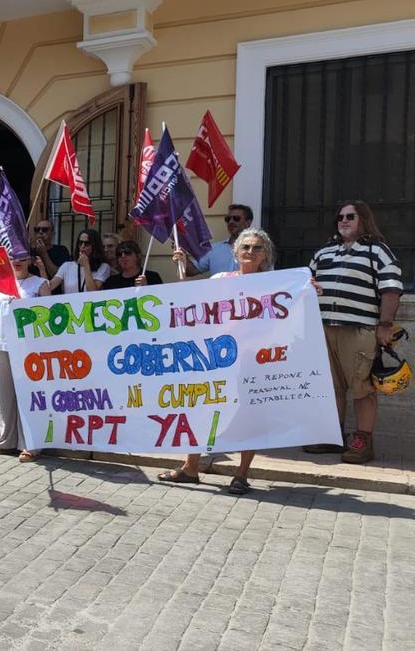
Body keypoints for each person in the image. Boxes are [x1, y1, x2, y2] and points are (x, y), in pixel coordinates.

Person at [159, 228, 278, 492]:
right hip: (216, 359)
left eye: (257, 248)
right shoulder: (220, 279)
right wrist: (182, 273)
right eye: (245, 247)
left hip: (252, 360)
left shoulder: (274, 284)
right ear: (236, 253)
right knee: (203, 409)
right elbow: (193, 305)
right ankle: (190, 467)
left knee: (248, 415)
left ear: (265, 255)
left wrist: (308, 290)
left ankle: (241, 474)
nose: (250, 251)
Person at [306, 202, 404, 464]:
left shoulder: (378, 252)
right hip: (324, 329)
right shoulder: (323, 252)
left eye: (351, 216)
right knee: (331, 386)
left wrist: (385, 326)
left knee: (362, 388)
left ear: (364, 220)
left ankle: (363, 442)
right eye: (340, 217)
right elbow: (307, 283)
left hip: (360, 330)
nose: (344, 220)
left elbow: (391, 291)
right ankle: (332, 437)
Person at [0, 254, 51, 459]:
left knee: (28, 397)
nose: (17, 261)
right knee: (4, 397)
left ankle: (31, 444)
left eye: (22, 257)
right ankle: (6, 441)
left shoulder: (40, 284)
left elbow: (49, 315)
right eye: (12, 257)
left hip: (28, 349)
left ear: (29, 260)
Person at [175, 204, 252, 277]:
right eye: (228, 219)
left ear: (248, 223)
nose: (231, 222)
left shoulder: (256, 249)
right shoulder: (213, 249)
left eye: (236, 218)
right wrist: (182, 256)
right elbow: (191, 271)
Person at [47, 228, 109, 293]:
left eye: (87, 243)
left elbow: (92, 291)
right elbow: (49, 287)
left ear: (95, 246)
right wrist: (42, 267)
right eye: (80, 243)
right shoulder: (67, 266)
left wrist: (86, 265)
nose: (82, 246)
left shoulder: (103, 267)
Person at [30, 220, 70, 284]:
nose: (40, 232)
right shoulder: (30, 252)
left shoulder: (61, 250)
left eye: (45, 230)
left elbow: (58, 276)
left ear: (52, 233)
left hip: (53, 289)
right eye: (37, 230)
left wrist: (44, 254)